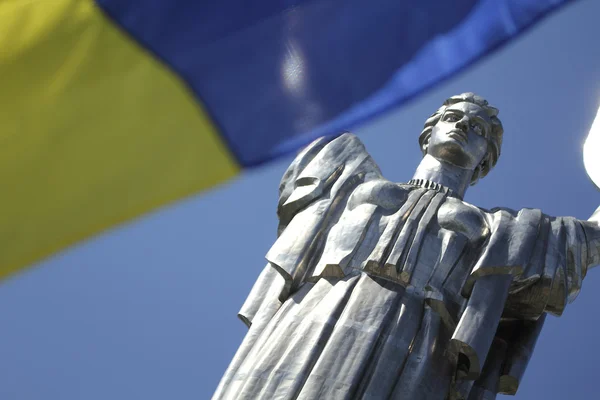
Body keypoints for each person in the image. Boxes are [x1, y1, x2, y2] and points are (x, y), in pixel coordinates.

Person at [213, 93, 600, 399]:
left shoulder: (498, 229)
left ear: (486, 159)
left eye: (478, 129)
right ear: (427, 133)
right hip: (315, 309)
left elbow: (589, 239)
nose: (463, 126)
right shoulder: (349, 178)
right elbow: (288, 112)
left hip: (416, 338)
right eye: (453, 117)